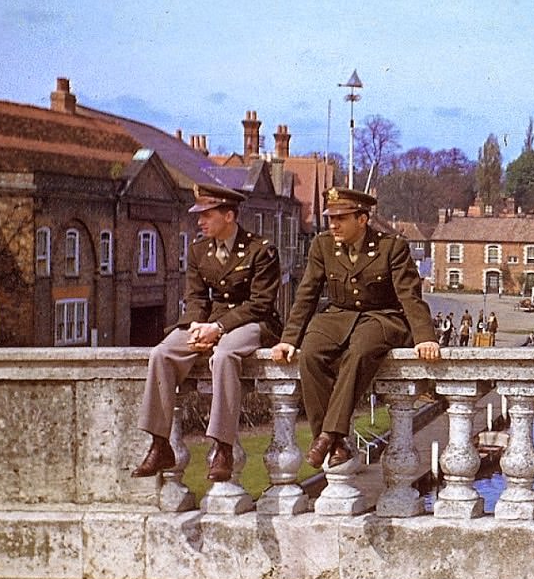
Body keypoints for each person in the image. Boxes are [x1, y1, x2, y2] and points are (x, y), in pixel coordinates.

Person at [271, 187, 440, 467]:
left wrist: (425, 337)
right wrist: (289, 339)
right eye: (330, 218)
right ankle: (334, 443)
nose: (333, 224)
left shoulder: (391, 246)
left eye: (342, 218)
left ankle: (326, 436)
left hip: (382, 317)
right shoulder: (322, 245)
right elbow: (307, 294)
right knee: (311, 352)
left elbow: (409, 295)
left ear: (362, 220)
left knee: (360, 352)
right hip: (337, 316)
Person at [132, 183, 281, 482]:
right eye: (199, 215)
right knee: (162, 353)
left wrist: (219, 328)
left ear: (229, 216)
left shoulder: (260, 250)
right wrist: (197, 326)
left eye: (207, 215)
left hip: (252, 321)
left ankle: (223, 447)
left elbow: (261, 303)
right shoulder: (199, 250)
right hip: (210, 320)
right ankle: (160, 444)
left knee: (225, 355)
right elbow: (196, 297)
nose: (200, 221)